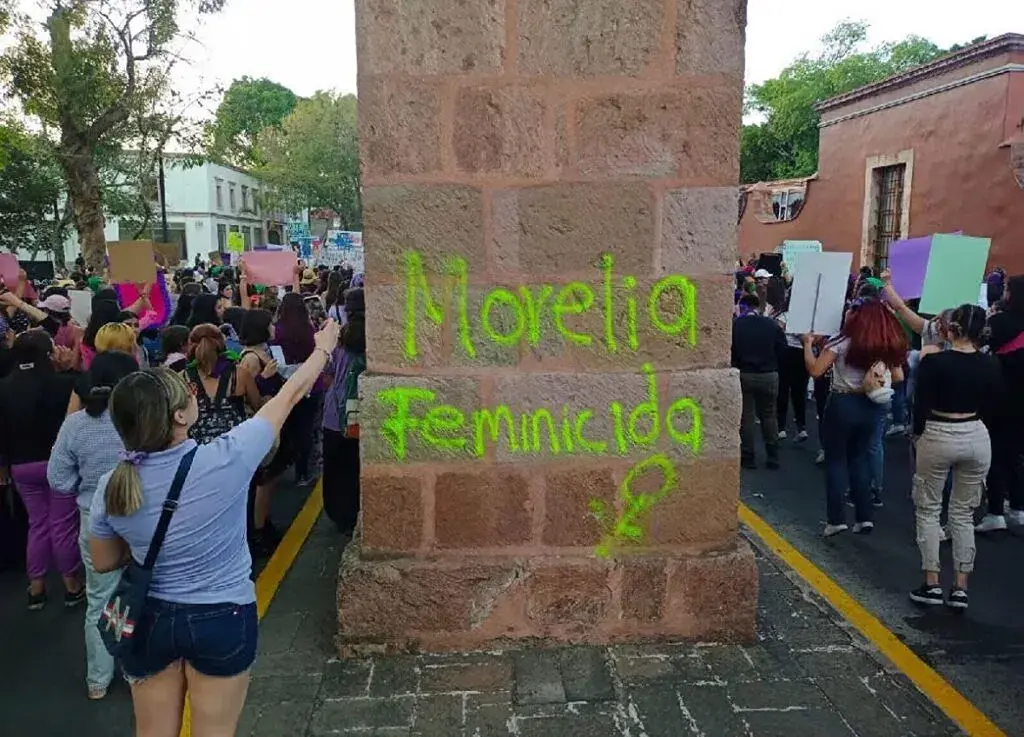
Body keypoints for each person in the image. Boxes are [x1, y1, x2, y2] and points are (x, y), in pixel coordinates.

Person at [88, 320, 340, 736]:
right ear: (182, 414)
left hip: (149, 619)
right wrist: (323, 348)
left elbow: (102, 561)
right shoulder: (227, 458)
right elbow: (291, 395)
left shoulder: (112, 484)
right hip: (222, 616)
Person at [47, 350, 139, 698]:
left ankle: (98, 680)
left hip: (94, 519)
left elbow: (57, 478)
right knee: (141, 594)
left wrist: (84, 487)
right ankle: (136, 672)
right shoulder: (137, 420)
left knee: (99, 600)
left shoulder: (75, 424)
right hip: (138, 517)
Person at [910, 305, 999, 609]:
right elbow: (990, 405)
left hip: (939, 430)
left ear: (952, 329)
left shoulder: (934, 362)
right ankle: (961, 586)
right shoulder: (990, 364)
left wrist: (917, 435)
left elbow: (920, 405)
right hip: (975, 433)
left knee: (929, 508)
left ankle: (932, 582)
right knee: (963, 514)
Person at [803, 298, 906, 537]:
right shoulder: (887, 342)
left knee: (837, 460)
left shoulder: (842, 340)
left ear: (857, 316)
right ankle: (864, 516)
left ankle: (836, 519)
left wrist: (808, 345)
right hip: (872, 405)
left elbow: (816, 370)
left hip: (843, 402)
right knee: (859, 459)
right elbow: (899, 376)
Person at [0, 330, 83, 609]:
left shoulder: (4, 386)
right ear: (49, 353)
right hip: (59, 463)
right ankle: (71, 585)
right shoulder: (63, 384)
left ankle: (36, 586)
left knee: (37, 524)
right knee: (63, 525)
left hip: (21, 465)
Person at [977, 274, 1024, 531]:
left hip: (1001, 395)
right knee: (1017, 454)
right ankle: (1018, 506)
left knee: (995, 453)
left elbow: (979, 344)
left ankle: (995, 511)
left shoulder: (1000, 322)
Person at [322, 287, 365, 531]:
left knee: (336, 470)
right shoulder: (377, 338)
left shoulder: (337, 337)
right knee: (357, 467)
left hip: (335, 415)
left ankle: (341, 517)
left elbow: (326, 376)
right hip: (363, 415)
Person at [731, 294, 787, 470]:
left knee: (746, 416)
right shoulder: (771, 324)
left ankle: (748, 456)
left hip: (745, 374)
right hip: (768, 374)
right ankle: (773, 456)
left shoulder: (737, 325)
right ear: (758, 307)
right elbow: (782, 349)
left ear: (743, 306)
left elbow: (731, 350)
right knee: (769, 415)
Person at [184, 324, 262, 445]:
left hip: (197, 452)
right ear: (221, 343)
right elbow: (258, 408)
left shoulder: (182, 378)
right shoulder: (240, 374)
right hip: (235, 448)